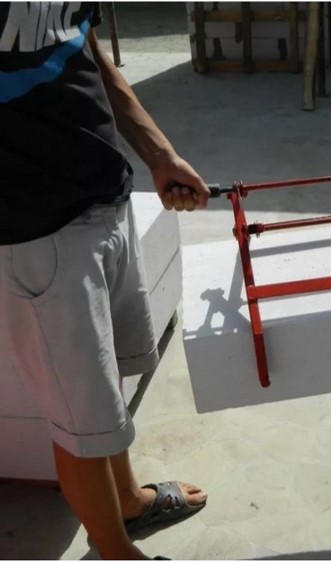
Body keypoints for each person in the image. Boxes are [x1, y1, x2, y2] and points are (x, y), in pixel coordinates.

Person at [0, 3, 211, 559]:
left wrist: (159, 154)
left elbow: (87, 49)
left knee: (102, 381)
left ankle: (128, 501)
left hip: (105, 196)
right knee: (79, 420)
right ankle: (115, 552)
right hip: (36, 231)